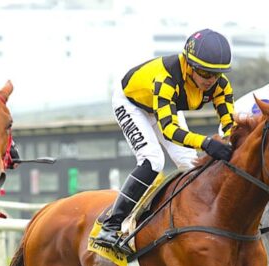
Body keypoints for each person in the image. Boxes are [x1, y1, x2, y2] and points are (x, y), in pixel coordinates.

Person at [91, 28, 236, 254]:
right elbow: (169, 130)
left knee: (190, 166)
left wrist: (232, 141)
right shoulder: (167, 79)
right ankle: (110, 225)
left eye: (216, 74)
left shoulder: (220, 84)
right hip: (132, 103)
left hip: (165, 106)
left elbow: (229, 123)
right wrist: (207, 143)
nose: (211, 80)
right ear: (189, 64)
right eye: (205, 74)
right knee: (152, 160)